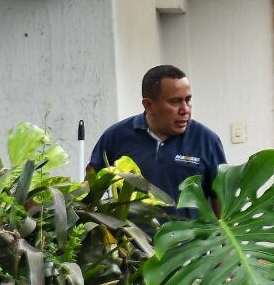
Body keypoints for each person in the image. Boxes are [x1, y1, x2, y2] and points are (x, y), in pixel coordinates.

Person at [89, 65, 225, 204]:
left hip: (192, 226)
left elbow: (221, 201)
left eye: (188, 100)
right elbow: (90, 190)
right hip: (131, 226)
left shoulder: (207, 140)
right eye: (175, 101)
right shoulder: (115, 137)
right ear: (148, 105)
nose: (185, 109)